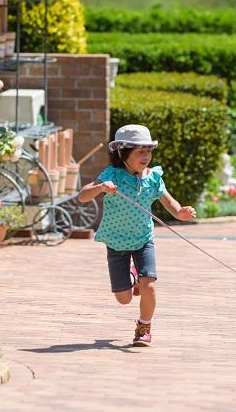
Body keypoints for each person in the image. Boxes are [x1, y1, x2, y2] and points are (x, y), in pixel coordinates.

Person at [77, 124, 196, 347]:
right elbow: (83, 196)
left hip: (144, 240)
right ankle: (132, 277)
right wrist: (101, 187)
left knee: (149, 285)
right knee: (123, 298)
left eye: (148, 151)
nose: (146, 156)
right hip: (116, 242)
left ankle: (144, 327)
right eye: (140, 151)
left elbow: (169, 202)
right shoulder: (112, 175)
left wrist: (180, 212)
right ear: (123, 153)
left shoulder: (153, 178)